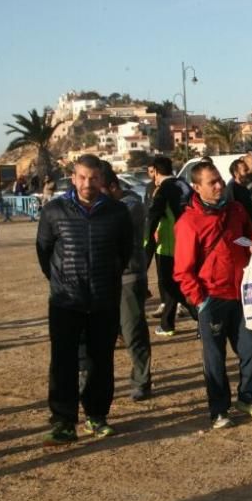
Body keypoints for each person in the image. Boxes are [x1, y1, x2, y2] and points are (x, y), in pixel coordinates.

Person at [36, 154, 133, 445]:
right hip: (66, 301)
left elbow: (124, 252)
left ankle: (97, 415)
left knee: (101, 361)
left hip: (104, 299)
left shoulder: (117, 212)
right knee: (63, 361)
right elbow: (44, 251)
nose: (87, 183)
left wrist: (107, 279)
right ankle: (64, 421)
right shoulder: (55, 210)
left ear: (102, 179)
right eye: (82, 177)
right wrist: (61, 280)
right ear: (73, 177)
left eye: (93, 178)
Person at [174, 162, 252, 429]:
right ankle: (219, 410)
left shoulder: (236, 210)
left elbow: (249, 233)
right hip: (212, 298)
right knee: (215, 358)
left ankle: (250, 397)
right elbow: (182, 270)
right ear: (197, 187)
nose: (219, 186)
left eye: (219, 180)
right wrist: (201, 300)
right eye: (212, 182)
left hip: (242, 294)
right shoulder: (188, 223)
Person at [99, 164, 152, 401]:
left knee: (134, 332)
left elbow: (114, 222)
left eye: (99, 189)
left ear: (113, 187)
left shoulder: (132, 206)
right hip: (102, 278)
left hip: (129, 277)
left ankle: (141, 380)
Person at [146, 155, 192, 336]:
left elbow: (152, 217)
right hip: (188, 240)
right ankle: (167, 324)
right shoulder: (184, 185)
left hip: (169, 244)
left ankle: (198, 313)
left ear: (156, 171)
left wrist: (147, 243)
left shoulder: (163, 189)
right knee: (177, 283)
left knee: (170, 284)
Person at [225, 158, 252, 222]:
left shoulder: (245, 187)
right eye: (245, 170)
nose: (247, 173)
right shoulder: (232, 188)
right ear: (236, 173)